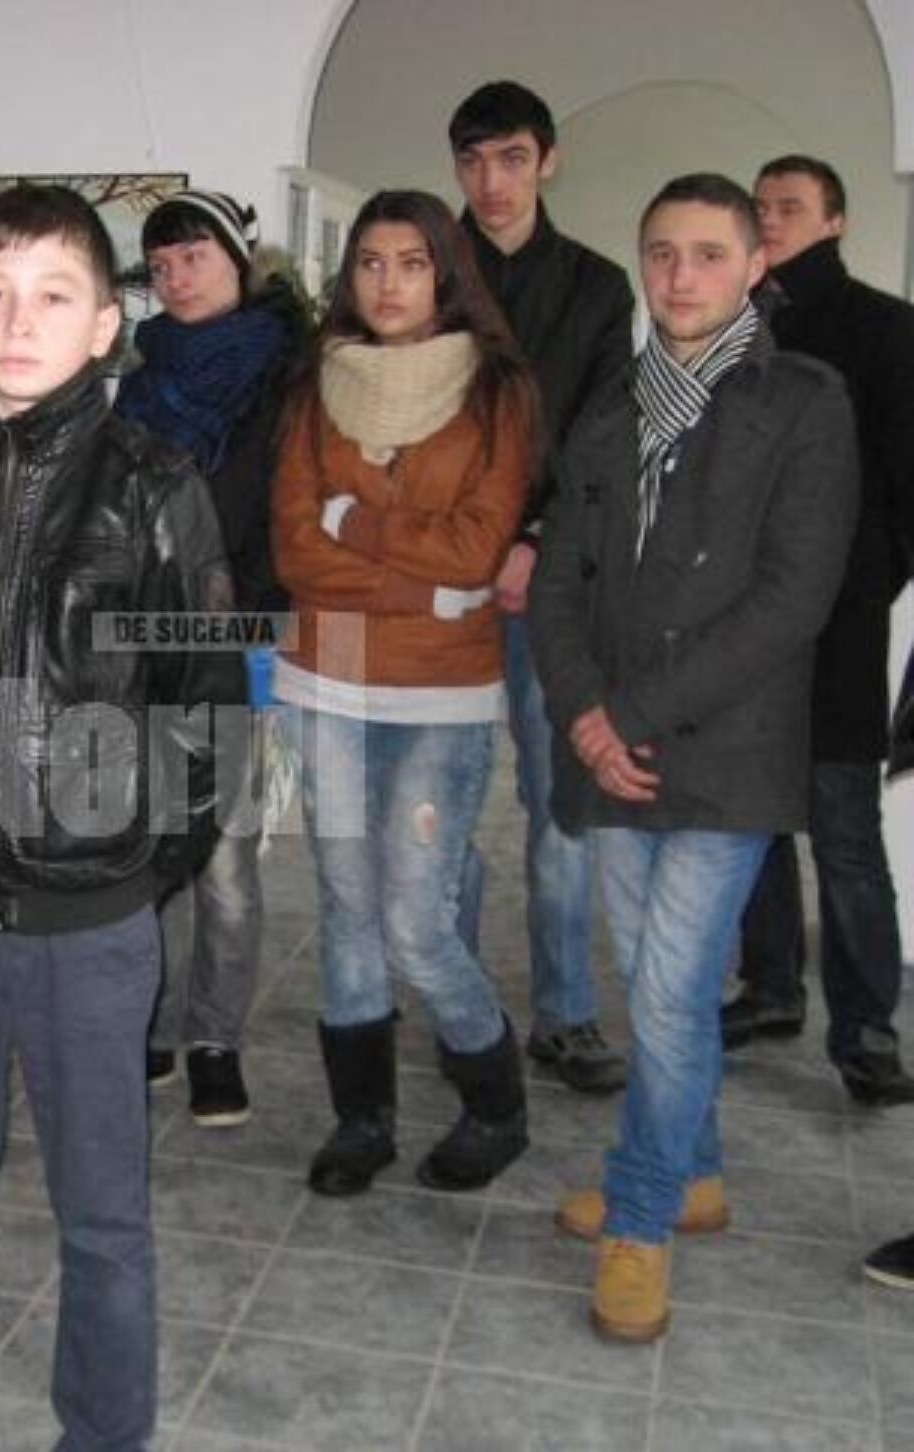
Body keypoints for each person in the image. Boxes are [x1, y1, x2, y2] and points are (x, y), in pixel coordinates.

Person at [0, 183, 241, 1451]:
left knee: (103, 1220)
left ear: (104, 326)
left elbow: (204, 708)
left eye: (54, 295)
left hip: (88, 926)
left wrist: (131, 865)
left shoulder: (156, 486)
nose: (20, 322)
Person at [529, 174, 857, 1343]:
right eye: (662, 252)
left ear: (755, 265)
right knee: (658, 990)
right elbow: (557, 579)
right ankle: (697, 1172)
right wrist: (584, 712)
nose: (681, 275)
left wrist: (627, 714)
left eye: (710, 253)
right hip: (610, 747)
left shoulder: (805, 401)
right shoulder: (611, 404)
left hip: (727, 753)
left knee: (668, 996)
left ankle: (643, 1216)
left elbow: (792, 600)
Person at [273, 190, 536, 1200]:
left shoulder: (497, 390)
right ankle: (362, 1120)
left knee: (417, 920)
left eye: (412, 263)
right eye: (371, 263)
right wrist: (422, 584)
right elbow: (296, 553)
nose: (388, 284)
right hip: (326, 674)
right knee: (347, 906)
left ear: (447, 274)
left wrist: (355, 520)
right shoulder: (315, 384)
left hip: (441, 690)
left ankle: (496, 1104)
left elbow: (478, 550)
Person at [449, 80, 634, 1095]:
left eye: (512, 158)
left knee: (559, 804)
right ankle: (462, 1008)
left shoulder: (599, 287)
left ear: (547, 160)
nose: (492, 181)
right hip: (439, 582)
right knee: (443, 800)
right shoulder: (426, 274)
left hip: (546, 584)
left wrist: (531, 543)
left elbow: (602, 438)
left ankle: (564, 1014)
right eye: (473, 161)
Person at [718, 155, 914, 1105]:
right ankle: (769, 990)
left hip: (838, 627)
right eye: (760, 205)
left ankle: (868, 1030)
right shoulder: (730, 327)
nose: (771, 217)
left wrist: (860, 584)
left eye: (790, 206)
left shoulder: (888, 328)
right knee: (752, 819)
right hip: (740, 626)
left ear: (835, 221)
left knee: (842, 831)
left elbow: (906, 488)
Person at [116, 187, 302, 1126]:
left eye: (194, 256)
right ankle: (151, 1024)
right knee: (154, 848)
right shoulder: (141, 376)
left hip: (241, 637)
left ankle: (216, 1038)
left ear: (238, 261)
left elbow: (294, 512)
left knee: (225, 858)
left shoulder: (289, 369)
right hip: (148, 637)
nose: (177, 278)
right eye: (161, 265)